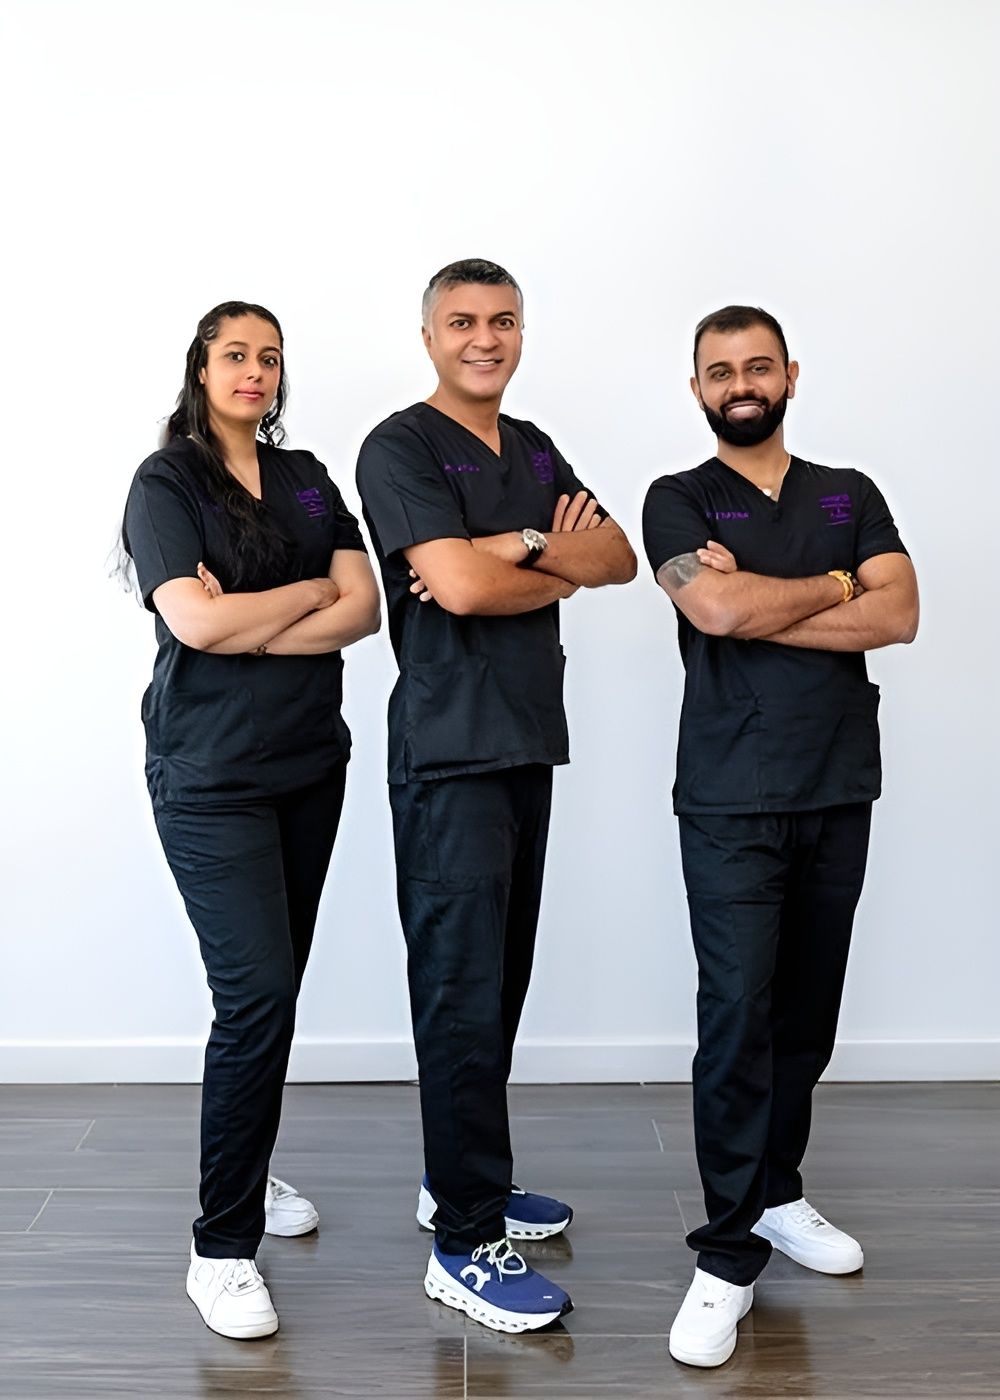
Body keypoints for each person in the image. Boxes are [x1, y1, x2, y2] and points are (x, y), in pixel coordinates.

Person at [356, 258, 636, 1334]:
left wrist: (517, 548)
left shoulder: (534, 445)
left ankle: (458, 1175)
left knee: (500, 981)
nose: (486, 338)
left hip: (524, 741)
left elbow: (615, 553)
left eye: (503, 320)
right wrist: (532, 545)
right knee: (461, 989)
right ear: (428, 335)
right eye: (463, 321)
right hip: (449, 750)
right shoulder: (397, 445)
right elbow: (459, 590)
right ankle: (464, 1240)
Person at [642, 305, 919, 1369]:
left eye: (757, 364)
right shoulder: (678, 496)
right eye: (720, 369)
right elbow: (709, 612)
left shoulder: (849, 490)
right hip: (728, 793)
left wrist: (768, 597)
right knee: (738, 1013)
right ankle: (722, 1254)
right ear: (698, 387)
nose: (741, 381)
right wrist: (833, 583)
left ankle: (776, 1194)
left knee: (804, 1014)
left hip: (835, 782)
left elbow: (898, 613)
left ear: (790, 373)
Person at [121, 300, 380, 1339]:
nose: (255, 371)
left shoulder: (310, 474)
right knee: (257, 991)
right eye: (236, 353)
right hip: (211, 773)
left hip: (310, 765)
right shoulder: (167, 481)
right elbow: (191, 617)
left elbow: (363, 608)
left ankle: (251, 1162)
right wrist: (302, 596)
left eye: (270, 357)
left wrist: (259, 615)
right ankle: (221, 1246)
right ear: (201, 366)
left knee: (273, 991)